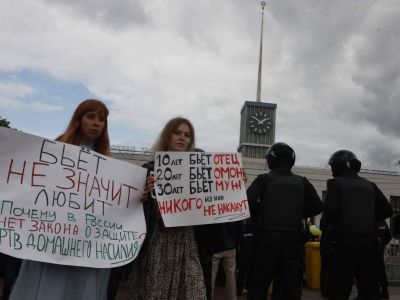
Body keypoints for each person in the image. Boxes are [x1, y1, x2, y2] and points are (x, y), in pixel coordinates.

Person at [10, 99, 111, 300]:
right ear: (79, 119)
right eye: (91, 117)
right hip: (52, 239)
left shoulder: (108, 161)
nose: (97, 123)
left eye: (102, 119)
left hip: (85, 244)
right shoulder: (54, 150)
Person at [128, 117, 206, 300]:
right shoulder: (149, 169)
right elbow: (132, 205)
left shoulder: (199, 171)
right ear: (167, 136)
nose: (182, 138)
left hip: (186, 242)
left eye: (187, 135)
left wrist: (232, 187)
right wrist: (144, 194)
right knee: (156, 292)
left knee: (194, 293)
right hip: (157, 241)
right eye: (177, 132)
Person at [246, 142, 323, 300]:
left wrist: (261, 213)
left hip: (265, 242)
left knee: (258, 288)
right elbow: (317, 206)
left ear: (271, 160)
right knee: (290, 289)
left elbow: (247, 202)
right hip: (293, 243)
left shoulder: (263, 179)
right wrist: (297, 213)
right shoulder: (302, 181)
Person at [323, 150, 393, 300]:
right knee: (369, 289)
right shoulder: (369, 185)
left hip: (343, 244)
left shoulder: (335, 184)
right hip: (369, 244)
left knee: (339, 289)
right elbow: (387, 209)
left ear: (338, 167)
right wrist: (367, 218)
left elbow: (329, 212)